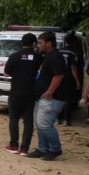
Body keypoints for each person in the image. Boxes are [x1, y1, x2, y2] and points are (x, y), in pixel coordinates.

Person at [28, 31, 71, 161]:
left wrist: (50, 92)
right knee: (39, 123)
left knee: (45, 124)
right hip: (42, 96)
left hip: (53, 97)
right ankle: (43, 148)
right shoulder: (48, 56)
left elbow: (59, 75)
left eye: (41, 43)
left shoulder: (56, 57)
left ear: (49, 43)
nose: (38, 45)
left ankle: (55, 148)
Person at [3, 33, 42, 156]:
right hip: (31, 93)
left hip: (16, 92)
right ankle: (25, 148)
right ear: (34, 43)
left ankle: (14, 145)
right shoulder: (39, 57)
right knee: (28, 121)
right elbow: (42, 72)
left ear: (22, 43)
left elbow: (6, 73)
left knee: (13, 119)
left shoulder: (14, 56)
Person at [56, 34, 82, 126]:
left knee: (59, 98)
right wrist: (78, 81)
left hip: (59, 77)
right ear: (74, 42)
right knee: (67, 100)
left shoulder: (59, 51)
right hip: (68, 79)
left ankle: (58, 118)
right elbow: (73, 67)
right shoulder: (73, 52)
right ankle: (66, 120)